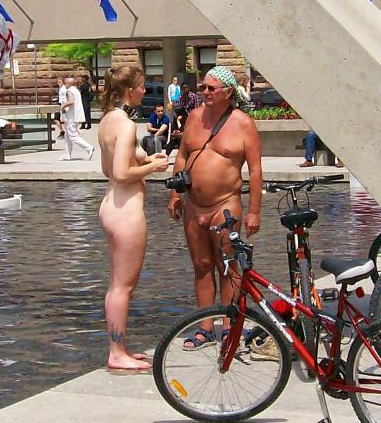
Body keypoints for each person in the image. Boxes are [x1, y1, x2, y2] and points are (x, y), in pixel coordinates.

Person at [167, 66, 262, 350]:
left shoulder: (243, 123)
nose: (204, 92)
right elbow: (182, 155)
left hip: (225, 204)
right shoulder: (194, 117)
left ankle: (230, 326)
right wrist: (175, 194)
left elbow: (255, 170)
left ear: (228, 92)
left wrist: (254, 211)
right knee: (201, 265)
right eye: (203, 87)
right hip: (193, 205)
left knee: (227, 265)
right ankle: (205, 327)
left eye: (211, 88)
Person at [96, 65, 170, 370]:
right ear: (130, 90)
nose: (145, 90)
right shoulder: (126, 124)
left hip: (111, 206)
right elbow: (120, 172)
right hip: (126, 212)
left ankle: (119, 347)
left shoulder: (107, 120)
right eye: (142, 85)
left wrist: (147, 158)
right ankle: (116, 353)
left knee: (116, 285)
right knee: (123, 287)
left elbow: (109, 167)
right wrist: (153, 167)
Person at [60, 75, 95, 160]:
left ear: (69, 83)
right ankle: (67, 154)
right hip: (75, 115)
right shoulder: (75, 90)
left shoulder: (69, 91)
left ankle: (89, 148)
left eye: (66, 82)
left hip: (72, 116)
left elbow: (71, 102)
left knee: (73, 136)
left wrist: (63, 106)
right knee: (67, 136)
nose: (65, 84)